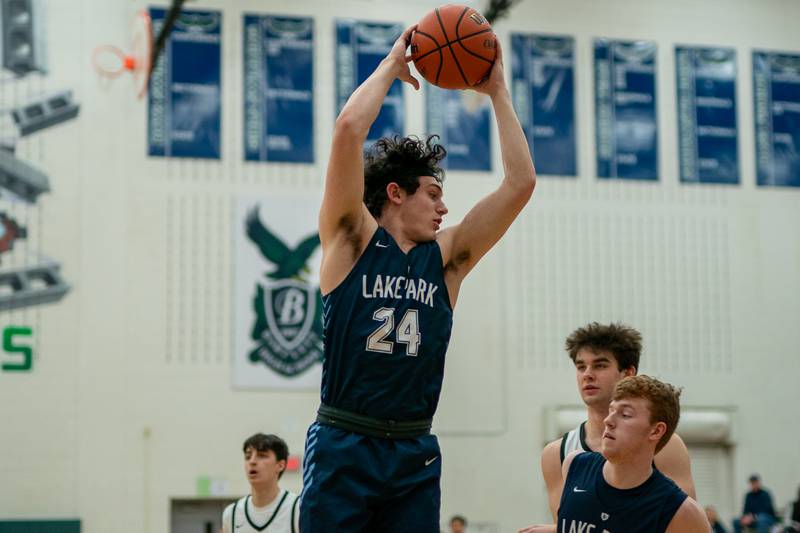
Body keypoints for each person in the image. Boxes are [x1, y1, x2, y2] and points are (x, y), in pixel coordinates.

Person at [300, 23, 536, 533]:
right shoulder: (351, 240)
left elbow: (521, 183)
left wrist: (496, 91)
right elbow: (347, 132)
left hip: (414, 446)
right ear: (396, 192)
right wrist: (390, 66)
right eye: (433, 192)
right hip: (346, 439)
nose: (444, 205)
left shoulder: (447, 258)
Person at [537, 322, 696, 523]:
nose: (587, 374)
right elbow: (569, 525)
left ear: (628, 373)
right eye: (581, 366)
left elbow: (684, 523)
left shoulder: (666, 444)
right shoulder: (557, 454)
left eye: (600, 365)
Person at [520, 375, 709, 533]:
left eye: (625, 414)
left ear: (656, 431)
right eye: (611, 411)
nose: (609, 420)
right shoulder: (573, 464)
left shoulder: (681, 512)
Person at [222, 433, 299, 533]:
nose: (252, 461)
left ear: (280, 465)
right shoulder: (232, 514)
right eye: (248, 456)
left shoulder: (298, 508)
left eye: (262, 456)